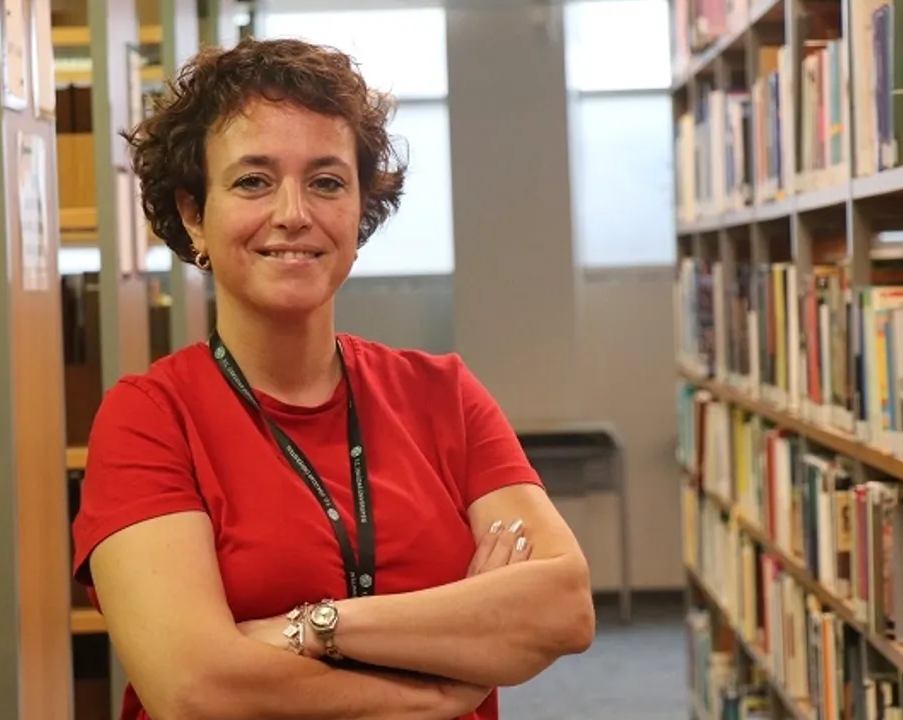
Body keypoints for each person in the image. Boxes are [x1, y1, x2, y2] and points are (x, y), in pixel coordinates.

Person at [70, 35, 596, 720]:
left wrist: (311, 629)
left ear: (358, 207)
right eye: (253, 181)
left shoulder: (442, 395)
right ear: (195, 214)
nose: (294, 213)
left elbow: (562, 607)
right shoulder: (149, 420)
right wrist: (441, 686)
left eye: (326, 182)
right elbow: (196, 689)